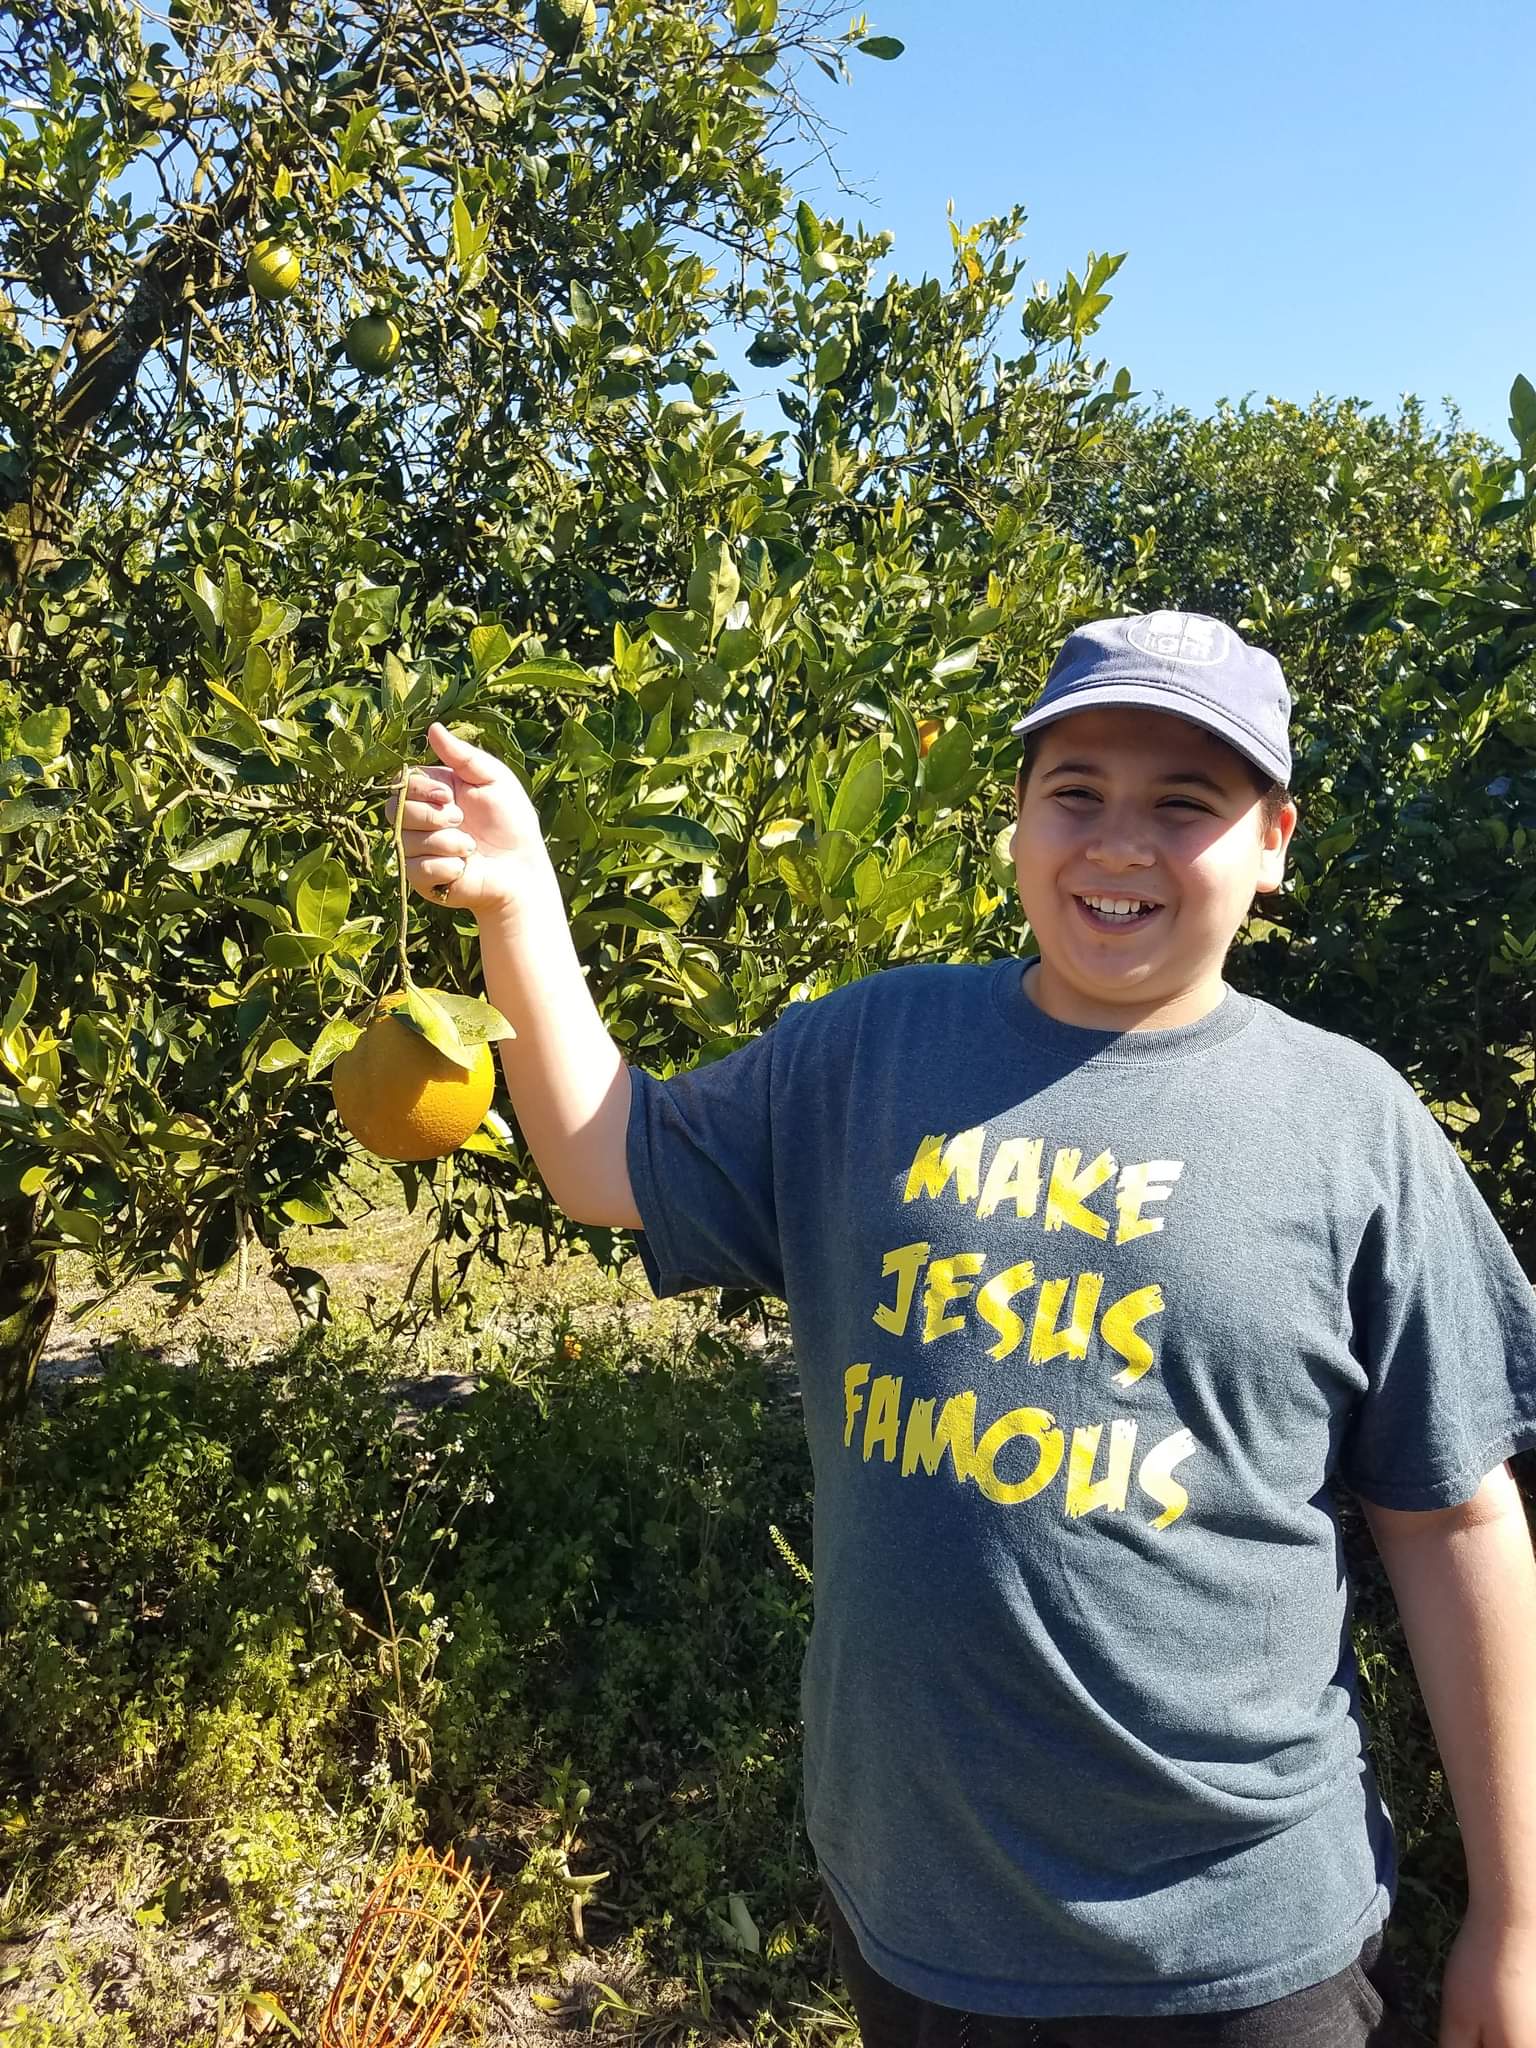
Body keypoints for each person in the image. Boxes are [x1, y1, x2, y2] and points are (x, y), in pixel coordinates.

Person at [387, 610, 1536, 2048]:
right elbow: (605, 1160)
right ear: (1018, 819)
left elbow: (1454, 1521)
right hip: (921, 1923)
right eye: (1077, 793)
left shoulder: (1352, 1124)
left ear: (1273, 842)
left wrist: (1516, 1920)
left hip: (1243, 1949)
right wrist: (518, 906)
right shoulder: (871, 1050)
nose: (1118, 844)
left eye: (1184, 804)